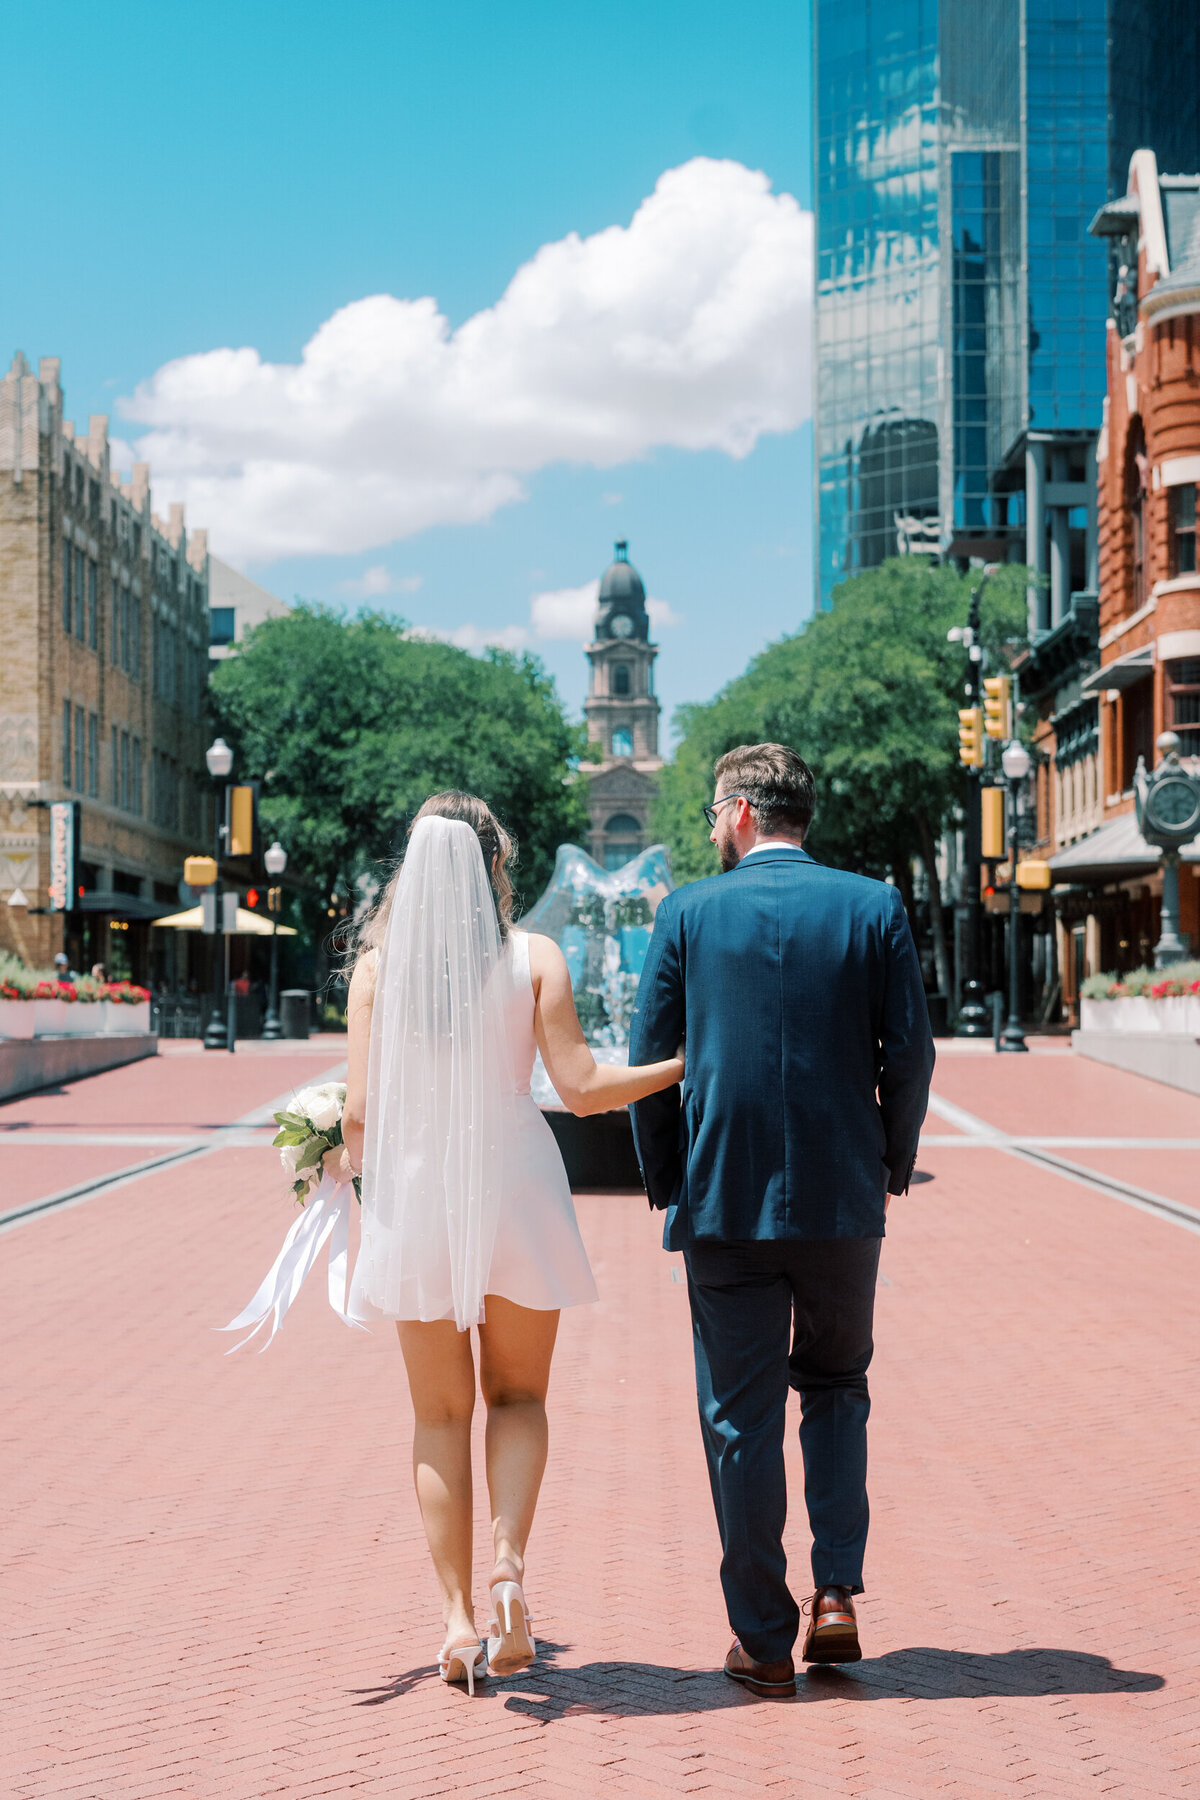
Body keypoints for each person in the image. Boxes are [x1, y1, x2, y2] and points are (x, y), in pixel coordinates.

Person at [329, 792, 684, 1695]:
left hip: (418, 1198)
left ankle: (455, 1625)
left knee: (439, 1416)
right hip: (517, 1188)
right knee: (519, 1396)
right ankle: (509, 1572)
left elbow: (361, 1114)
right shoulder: (534, 957)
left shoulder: (376, 971)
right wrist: (689, 1062)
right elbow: (585, 1085)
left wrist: (324, 1152)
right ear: (495, 866)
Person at [629, 743, 934, 1699]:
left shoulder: (686, 913)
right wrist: (888, 1161)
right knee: (839, 1384)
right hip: (843, 1201)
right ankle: (835, 1591)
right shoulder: (872, 906)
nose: (712, 828)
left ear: (745, 813)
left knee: (738, 1419)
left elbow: (649, 1063)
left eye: (717, 812)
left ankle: (763, 1639)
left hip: (723, 1201)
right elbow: (911, 1055)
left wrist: (669, 1179)